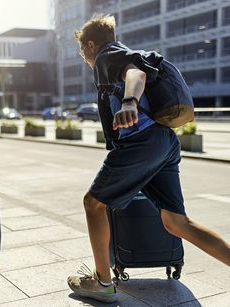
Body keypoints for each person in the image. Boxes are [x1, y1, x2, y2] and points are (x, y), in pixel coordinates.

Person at [67, 14, 230, 303]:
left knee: (93, 203)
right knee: (177, 223)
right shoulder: (124, 53)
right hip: (164, 141)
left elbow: (135, 75)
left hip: (141, 142)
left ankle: (103, 282)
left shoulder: (107, 56)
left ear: (90, 45)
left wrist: (129, 101)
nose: (84, 57)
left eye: (82, 51)